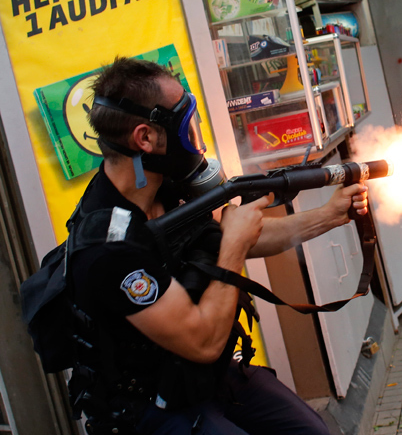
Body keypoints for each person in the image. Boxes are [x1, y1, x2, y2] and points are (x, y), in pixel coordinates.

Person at [68, 57, 369, 434]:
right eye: (184, 128)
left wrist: (328, 215)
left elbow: (234, 237)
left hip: (201, 376)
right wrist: (234, 249)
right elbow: (204, 340)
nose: (195, 141)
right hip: (148, 407)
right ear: (144, 138)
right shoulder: (107, 248)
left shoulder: (167, 187)